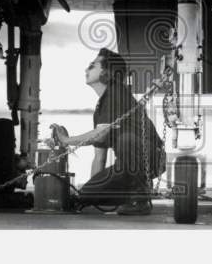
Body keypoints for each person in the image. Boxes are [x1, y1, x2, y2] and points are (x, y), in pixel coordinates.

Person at [52, 48, 165, 216]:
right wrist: (87, 198)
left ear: (107, 72)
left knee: (126, 140)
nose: (86, 70)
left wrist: (66, 140)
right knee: (83, 195)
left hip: (151, 158)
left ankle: (140, 199)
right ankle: (129, 196)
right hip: (128, 166)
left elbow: (101, 134)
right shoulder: (101, 108)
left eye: (92, 66)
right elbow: (99, 158)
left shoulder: (117, 91)